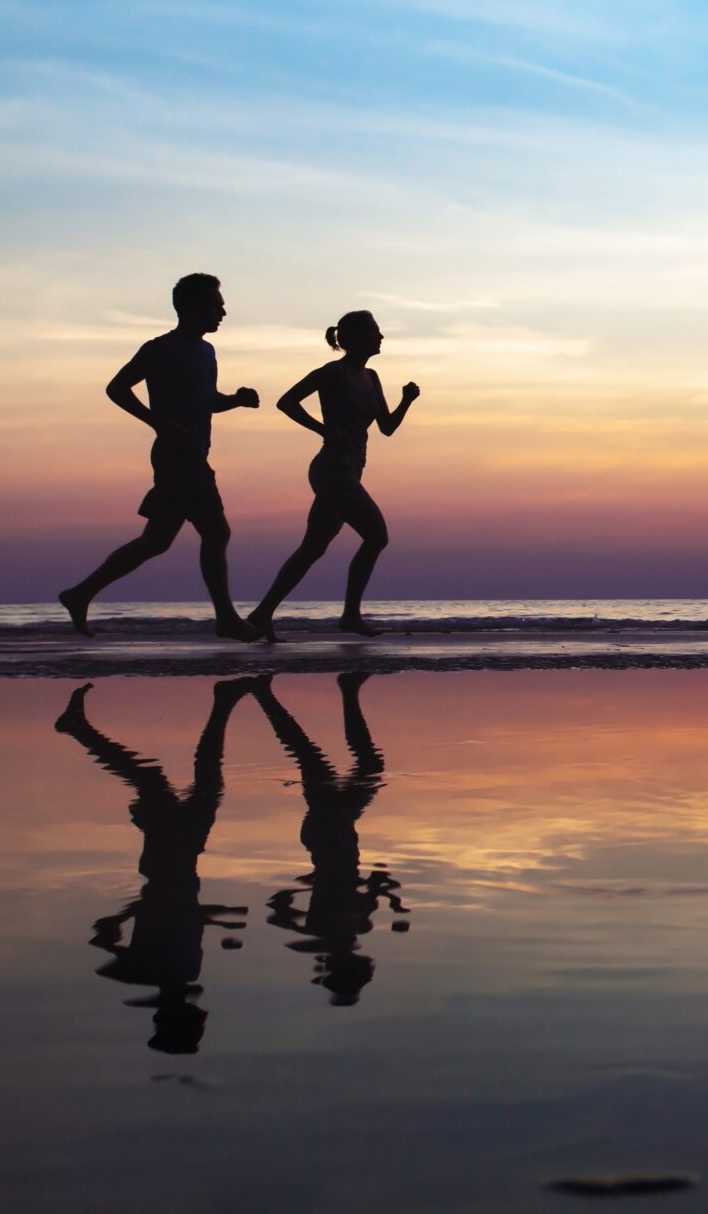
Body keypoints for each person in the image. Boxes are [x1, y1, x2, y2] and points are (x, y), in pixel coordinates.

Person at [58, 273, 264, 641]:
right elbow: (116, 388)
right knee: (216, 531)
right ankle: (227, 619)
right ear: (189, 307)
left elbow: (206, 401)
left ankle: (80, 593)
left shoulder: (207, 352)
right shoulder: (160, 349)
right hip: (177, 457)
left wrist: (236, 399)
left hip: (192, 454)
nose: (223, 311)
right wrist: (157, 422)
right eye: (215, 304)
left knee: (156, 541)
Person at [56, 679, 255, 1054]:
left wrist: (117, 931)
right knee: (202, 781)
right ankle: (223, 702)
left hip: (169, 864)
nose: (204, 1018)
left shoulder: (155, 973)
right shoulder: (177, 973)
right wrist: (218, 916)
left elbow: (154, 916)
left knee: (158, 781)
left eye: (195, 1024)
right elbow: (178, 915)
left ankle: (79, 729)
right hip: (180, 866)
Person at [245, 310, 419, 640]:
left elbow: (387, 428)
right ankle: (350, 616)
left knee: (312, 548)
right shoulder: (332, 373)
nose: (381, 337)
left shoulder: (372, 378)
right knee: (377, 535)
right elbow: (287, 402)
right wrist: (323, 429)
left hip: (352, 470)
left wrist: (406, 401)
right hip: (333, 469)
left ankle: (261, 614)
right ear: (353, 338)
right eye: (375, 331)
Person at [249, 673, 408, 1005]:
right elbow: (376, 880)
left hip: (328, 835)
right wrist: (393, 902)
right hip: (336, 836)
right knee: (344, 762)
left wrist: (311, 884)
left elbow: (276, 909)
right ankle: (343, 691)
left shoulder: (323, 935)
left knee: (314, 757)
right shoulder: (355, 929)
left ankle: (270, 694)